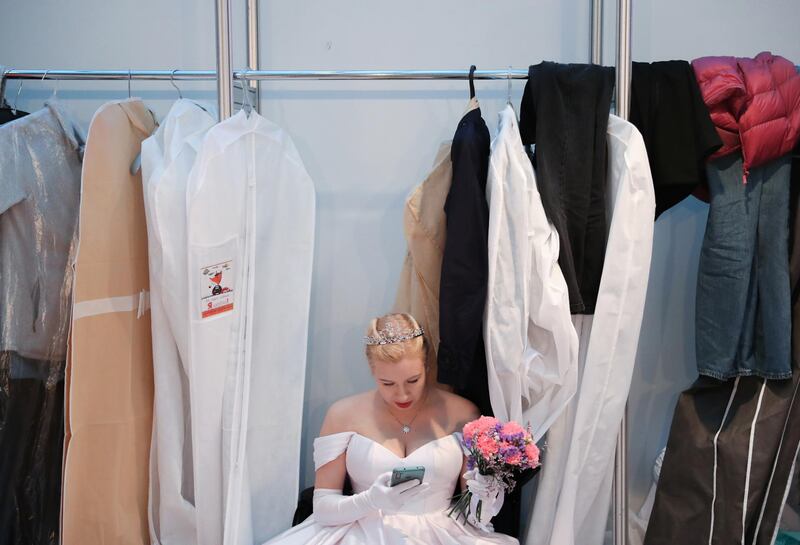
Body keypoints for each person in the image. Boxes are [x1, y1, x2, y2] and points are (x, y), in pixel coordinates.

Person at [264, 312, 517, 544]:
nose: (402, 394)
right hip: (359, 532)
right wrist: (370, 500)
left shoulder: (463, 414)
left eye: (413, 380)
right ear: (372, 372)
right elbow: (323, 508)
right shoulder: (342, 415)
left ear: (427, 366)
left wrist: (485, 493)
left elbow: (476, 516)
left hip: (442, 535)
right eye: (387, 383)